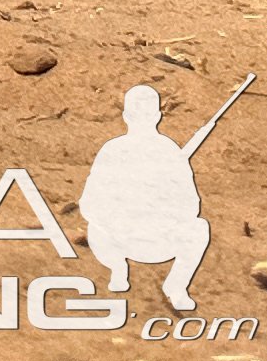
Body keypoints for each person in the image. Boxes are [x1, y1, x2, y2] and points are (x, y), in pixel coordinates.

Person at [77, 84, 212, 310]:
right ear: (158, 116)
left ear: (126, 116)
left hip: (133, 241)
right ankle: (158, 280)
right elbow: (191, 207)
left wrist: (155, 207)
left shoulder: (115, 149)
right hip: (138, 240)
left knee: (95, 227)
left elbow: (88, 204)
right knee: (199, 228)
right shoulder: (167, 150)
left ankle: (133, 274)